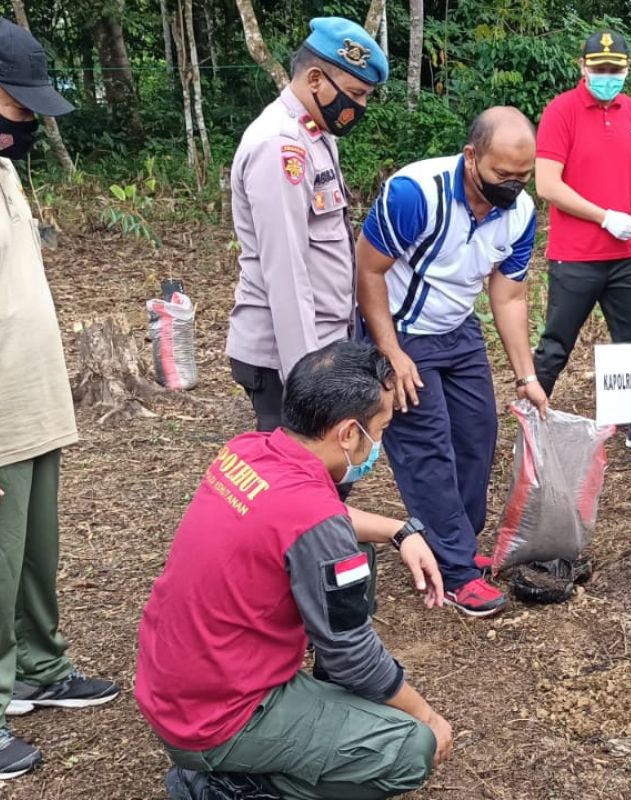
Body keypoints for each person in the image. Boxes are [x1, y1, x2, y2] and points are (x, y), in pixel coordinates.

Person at [136, 341, 451, 800]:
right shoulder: (314, 517)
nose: (378, 443)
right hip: (216, 718)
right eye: (380, 428)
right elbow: (352, 653)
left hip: (175, 684)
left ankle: (266, 748)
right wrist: (424, 714)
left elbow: (309, 522)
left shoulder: (249, 451)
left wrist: (401, 531)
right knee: (409, 747)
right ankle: (233, 787)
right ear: (348, 433)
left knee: (358, 551)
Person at [356, 107, 546, 618]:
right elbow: (369, 270)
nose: (512, 186)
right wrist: (390, 353)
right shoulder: (415, 193)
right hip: (400, 328)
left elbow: (507, 297)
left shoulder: (521, 212)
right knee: (428, 442)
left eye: (522, 176)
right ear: (471, 157)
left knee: (477, 433)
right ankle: (457, 571)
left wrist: (526, 375)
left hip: (458, 329)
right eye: (501, 175)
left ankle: (453, 539)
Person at [0, 18, 119, 782]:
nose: (30, 123)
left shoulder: (4, 169)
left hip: (32, 401)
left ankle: (38, 666)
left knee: (31, 556)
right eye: (19, 106)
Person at [226, 17, 386, 432]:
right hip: (291, 357)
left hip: (323, 344)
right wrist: (308, 382)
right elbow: (287, 271)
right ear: (316, 79)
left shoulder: (315, 133)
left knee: (328, 476)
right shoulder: (280, 147)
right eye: (355, 94)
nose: (360, 108)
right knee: (300, 481)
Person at [532, 30, 631, 449]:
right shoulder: (561, 111)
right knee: (557, 342)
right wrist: (604, 216)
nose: (607, 76)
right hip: (574, 255)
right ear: (583, 67)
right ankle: (532, 415)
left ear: (627, 70)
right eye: (600, 69)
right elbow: (547, 184)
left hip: (625, 254)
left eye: (615, 70)